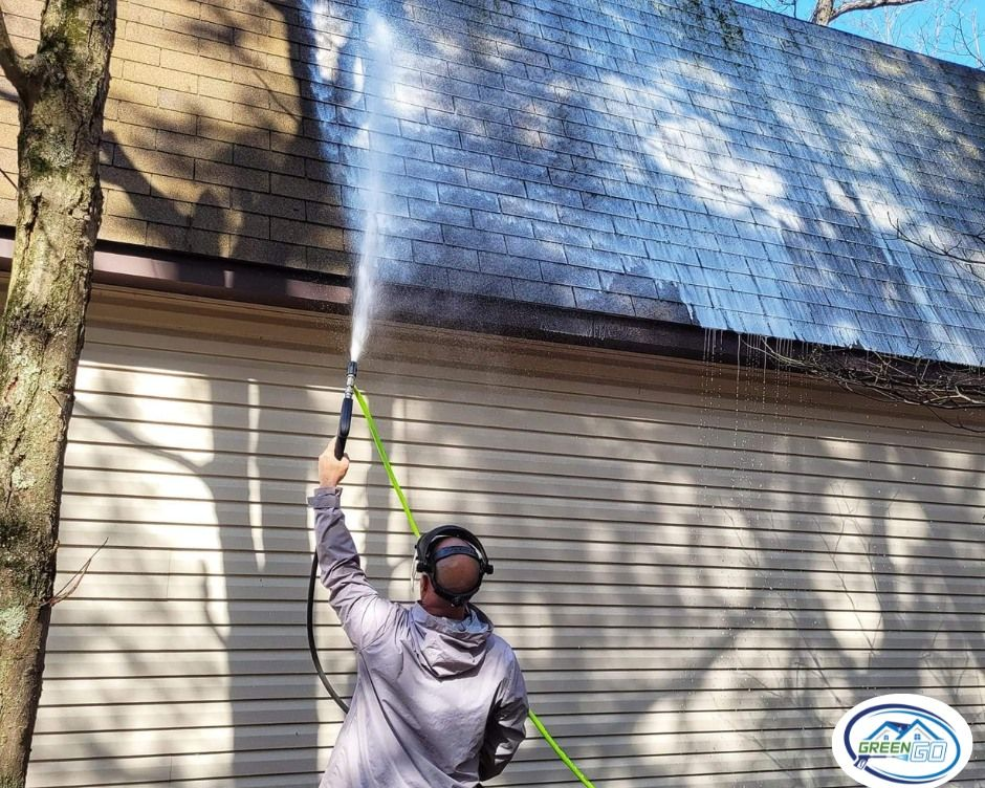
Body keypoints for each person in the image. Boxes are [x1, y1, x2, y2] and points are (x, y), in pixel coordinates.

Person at [310, 437, 528, 788]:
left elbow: (341, 571)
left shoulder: (383, 630)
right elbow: (505, 737)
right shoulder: (500, 659)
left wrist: (327, 487)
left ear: (424, 583)